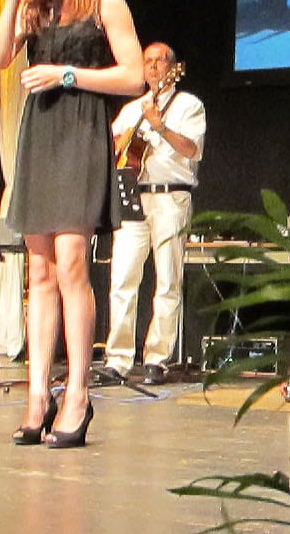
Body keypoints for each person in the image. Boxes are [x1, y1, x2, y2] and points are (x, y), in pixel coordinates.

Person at [0, 0, 143, 449]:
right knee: (40, 268)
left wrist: (68, 74)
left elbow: (134, 75)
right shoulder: (34, 4)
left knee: (72, 260)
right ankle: (38, 393)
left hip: (80, 130)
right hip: (41, 133)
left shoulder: (105, 2)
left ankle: (78, 391)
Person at [104, 42, 206, 385]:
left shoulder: (189, 105)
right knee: (122, 279)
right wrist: (122, 140)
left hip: (170, 197)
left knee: (167, 280)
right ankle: (117, 360)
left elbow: (192, 149)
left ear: (173, 68)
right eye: (147, 61)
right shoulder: (132, 108)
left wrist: (160, 127)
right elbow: (113, 146)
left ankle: (157, 358)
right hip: (133, 196)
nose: (152, 67)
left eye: (159, 61)